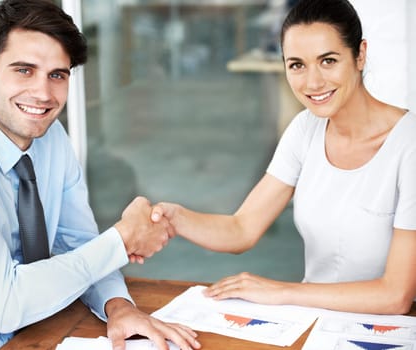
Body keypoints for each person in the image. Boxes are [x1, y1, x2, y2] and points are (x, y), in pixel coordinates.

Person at [0, 1, 201, 349]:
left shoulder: (52, 139)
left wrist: (117, 306)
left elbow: (77, 243)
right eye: (24, 70)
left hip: (41, 332)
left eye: (57, 75)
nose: (43, 94)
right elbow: (6, 305)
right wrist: (122, 240)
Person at [152, 0, 416, 315]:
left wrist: (281, 290)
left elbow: (395, 296)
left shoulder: (408, 145)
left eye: (328, 61)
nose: (313, 82)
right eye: (297, 65)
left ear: (360, 55)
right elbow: (243, 227)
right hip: (314, 320)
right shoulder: (306, 128)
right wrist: (174, 217)